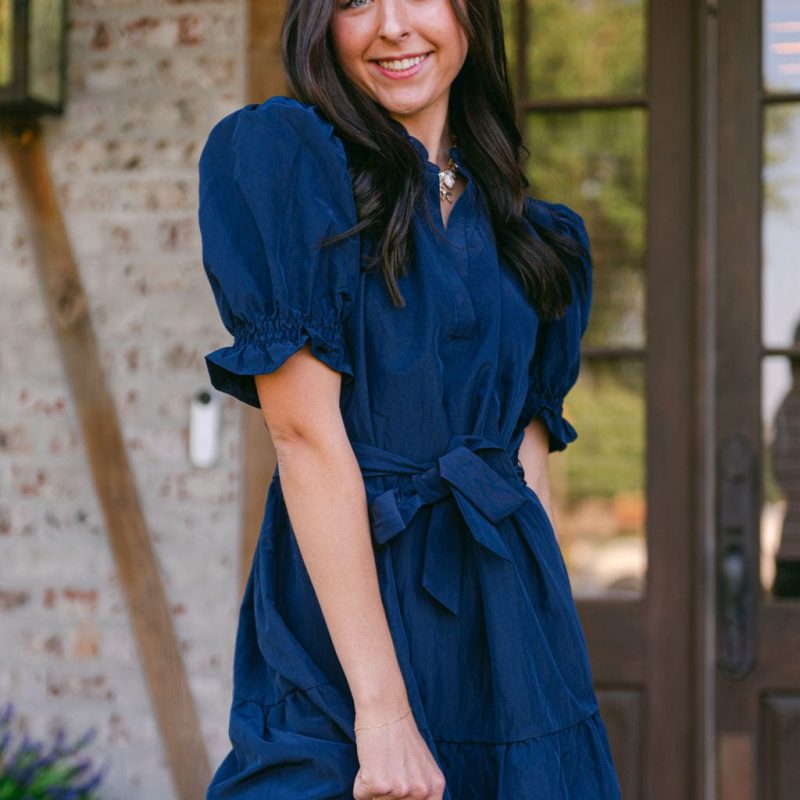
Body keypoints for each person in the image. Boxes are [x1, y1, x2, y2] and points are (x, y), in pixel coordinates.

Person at [197, 0, 623, 795]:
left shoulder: (538, 239)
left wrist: (542, 670)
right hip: (347, 630)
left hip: (504, 625)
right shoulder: (288, 165)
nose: (393, 25)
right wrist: (383, 714)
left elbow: (526, 477)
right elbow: (303, 436)